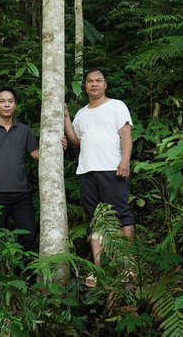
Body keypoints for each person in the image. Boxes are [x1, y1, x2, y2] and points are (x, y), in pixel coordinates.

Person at [64, 68, 135, 285]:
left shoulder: (116, 105)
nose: (94, 84)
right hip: (87, 171)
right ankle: (98, 270)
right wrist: (66, 118)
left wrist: (124, 161)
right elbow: (77, 142)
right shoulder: (81, 113)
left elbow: (126, 135)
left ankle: (129, 267)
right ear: (84, 86)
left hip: (112, 169)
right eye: (89, 81)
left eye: (98, 81)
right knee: (95, 221)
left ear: (105, 85)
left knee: (120, 215)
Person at [0, 86, 39, 252]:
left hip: (21, 193)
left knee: (28, 234)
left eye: (10, 101)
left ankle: (20, 275)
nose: (7, 105)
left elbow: (36, 155)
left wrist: (56, 146)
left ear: (15, 104)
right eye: (2, 101)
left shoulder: (23, 130)